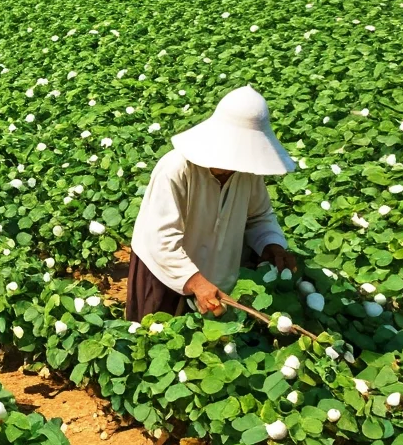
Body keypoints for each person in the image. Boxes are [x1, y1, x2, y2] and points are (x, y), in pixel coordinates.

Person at [128, 86, 302, 320]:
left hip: (217, 271)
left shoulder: (247, 173)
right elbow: (160, 239)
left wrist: (271, 245)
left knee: (208, 338)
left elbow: (259, 217)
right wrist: (195, 282)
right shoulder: (176, 169)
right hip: (165, 273)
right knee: (159, 334)